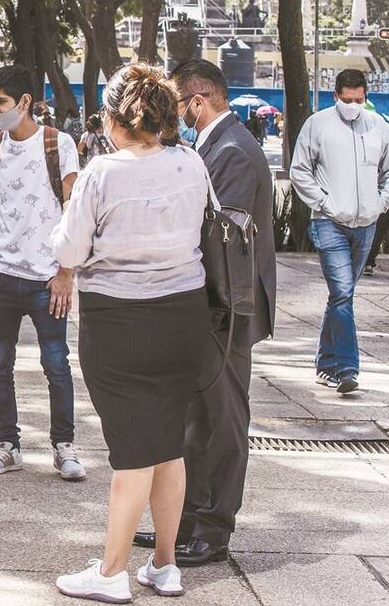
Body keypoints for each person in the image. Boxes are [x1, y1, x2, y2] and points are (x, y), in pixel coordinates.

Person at [51, 64, 210, 602]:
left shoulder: (102, 173)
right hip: (184, 315)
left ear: (115, 119)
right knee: (169, 446)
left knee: (132, 452)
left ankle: (112, 571)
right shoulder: (190, 162)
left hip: (119, 321)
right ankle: (165, 565)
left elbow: (70, 251)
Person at [131, 58, 277, 568]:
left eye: (180, 104)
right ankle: (187, 519)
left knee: (224, 420)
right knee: (194, 420)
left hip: (227, 308)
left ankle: (214, 527)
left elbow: (219, 236)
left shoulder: (233, 149)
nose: (177, 114)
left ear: (198, 100)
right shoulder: (216, 144)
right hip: (210, 305)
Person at [0, 65, 85, 481]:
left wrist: (66, 271)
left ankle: (64, 446)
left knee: (56, 363)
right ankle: (7, 444)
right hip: (5, 275)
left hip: (48, 276)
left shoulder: (58, 144)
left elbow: (73, 209)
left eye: (2, 102)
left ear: (25, 102)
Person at [289, 69, 389, 394]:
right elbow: (300, 169)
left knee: (340, 296)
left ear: (366, 97)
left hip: (366, 224)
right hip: (328, 221)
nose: (352, 105)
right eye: (346, 100)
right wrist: (323, 203)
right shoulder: (317, 124)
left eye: (358, 100)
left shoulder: (379, 127)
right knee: (344, 294)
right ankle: (347, 369)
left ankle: (325, 362)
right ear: (335, 96)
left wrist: (381, 202)